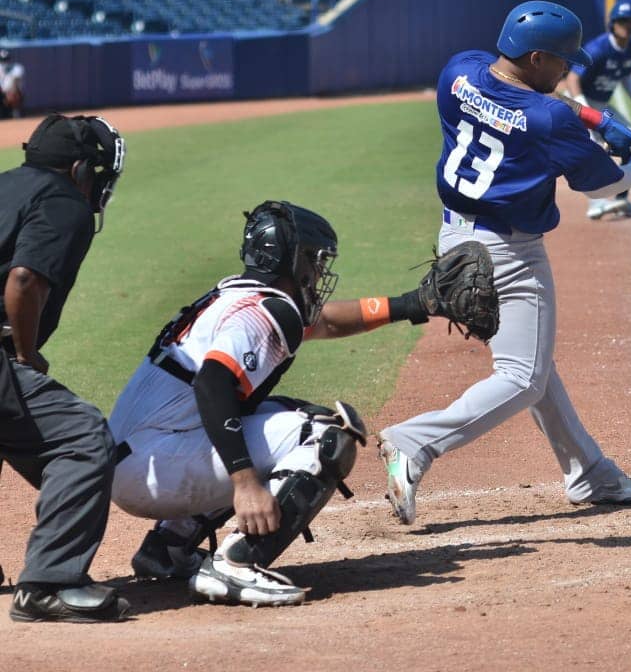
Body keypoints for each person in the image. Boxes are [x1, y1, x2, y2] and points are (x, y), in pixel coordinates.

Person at [108, 200, 494, 607]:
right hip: (155, 468)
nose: (320, 272)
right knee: (326, 435)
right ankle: (236, 564)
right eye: (316, 260)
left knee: (283, 414)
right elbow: (213, 383)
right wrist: (245, 483)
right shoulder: (263, 311)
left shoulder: (239, 295)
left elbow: (324, 321)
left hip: (141, 459)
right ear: (293, 258)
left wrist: (414, 304)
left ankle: (168, 548)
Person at [375, 0, 631, 527]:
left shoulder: (459, 71)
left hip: (454, 241)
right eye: (560, 62)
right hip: (509, 253)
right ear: (535, 58)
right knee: (522, 377)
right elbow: (601, 183)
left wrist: (595, 117)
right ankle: (414, 441)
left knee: (532, 366)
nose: (566, 71)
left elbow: (525, 104)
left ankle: (591, 474)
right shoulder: (549, 117)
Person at [1, 114, 129, 623]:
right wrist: (26, 355)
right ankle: (49, 582)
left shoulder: (6, 186)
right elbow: (25, 280)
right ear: (79, 169)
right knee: (80, 438)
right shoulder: (64, 202)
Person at [564, 0, 631, 220]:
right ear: (613, 23)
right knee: (592, 149)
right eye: (622, 21)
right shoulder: (598, 49)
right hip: (580, 103)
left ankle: (621, 200)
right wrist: (583, 109)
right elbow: (572, 78)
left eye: (630, 22)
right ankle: (595, 204)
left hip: (601, 105)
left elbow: (624, 74)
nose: (626, 25)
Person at [0, 49, 25, 120]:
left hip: (14, 93)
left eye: (6, 59)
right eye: (2, 60)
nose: (4, 62)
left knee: (15, 95)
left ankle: (15, 112)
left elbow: (16, 83)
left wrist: (10, 93)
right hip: (2, 93)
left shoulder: (17, 68)